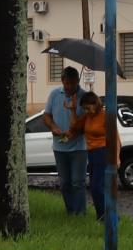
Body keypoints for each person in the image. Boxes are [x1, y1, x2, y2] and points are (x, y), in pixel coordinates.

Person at [44, 64, 88, 214]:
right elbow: (46, 116)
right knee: (64, 183)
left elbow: (86, 123)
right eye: (67, 83)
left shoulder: (84, 96)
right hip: (59, 147)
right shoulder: (55, 94)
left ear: (78, 81)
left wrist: (74, 131)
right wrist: (53, 127)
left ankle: (80, 213)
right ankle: (70, 211)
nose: (69, 86)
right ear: (62, 81)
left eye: (73, 83)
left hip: (79, 148)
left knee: (78, 182)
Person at [76, 91, 115, 221]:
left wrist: (117, 157)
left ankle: (108, 215)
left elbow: (115, 137)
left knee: (97, 187)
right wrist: (72, 110)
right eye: (84, 109)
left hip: (102, 151)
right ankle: (102, 215)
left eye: (88, 107)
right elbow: (74, 127)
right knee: (94, 187)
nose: (86, 111)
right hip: (91, 153)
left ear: (95, 103)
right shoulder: (88, 117)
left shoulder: (105, 115)